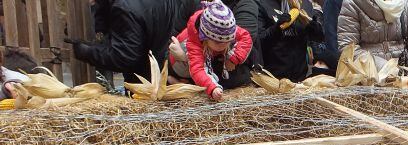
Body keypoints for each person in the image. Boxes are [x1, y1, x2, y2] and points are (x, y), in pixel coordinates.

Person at [67, 0, 200, 84]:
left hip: (153, 83)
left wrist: (85, 51)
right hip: (184, 73)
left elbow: (125, 57)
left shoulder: (124, 7)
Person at [169, 0, 253, 101]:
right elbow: (198, 69)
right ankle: (181, 81)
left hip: (206, 55)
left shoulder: (226, 26)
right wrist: (212, 88)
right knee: (194, 67)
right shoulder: (194, 42)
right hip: (179, 63)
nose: (223, 46)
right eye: (218, 42)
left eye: (228, 41)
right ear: (205, 37)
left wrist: (234, 58)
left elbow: (245, 37)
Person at [337, 0, 408, 70]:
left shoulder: (405, 2)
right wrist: (386, 68)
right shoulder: (352, 3)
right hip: (368, 81)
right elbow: (348, 49)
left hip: (402, 75)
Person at [258, 0, 323, 81]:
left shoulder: (305, 4)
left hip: (301, 77)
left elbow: (319, 39)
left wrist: (315, 30)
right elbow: (258, 42)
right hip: (273, 77)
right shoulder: (261, 4)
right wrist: (276, 29)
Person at [223, 0, 264, 69]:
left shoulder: (247, 4)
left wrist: (233, 58)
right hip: (207, 63)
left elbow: (244, 38)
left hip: (236, 68)